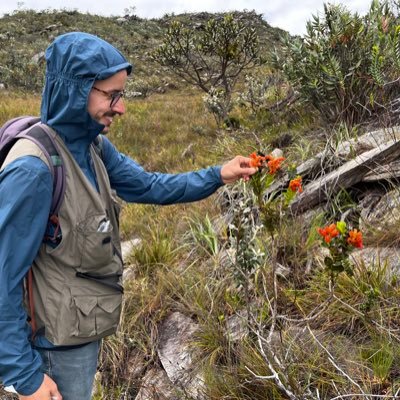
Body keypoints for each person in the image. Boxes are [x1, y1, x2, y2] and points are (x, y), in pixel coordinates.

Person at [0, 32, 256, 400]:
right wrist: (26, 378)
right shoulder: (34, 170)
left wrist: (218, 174)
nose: (120, 108)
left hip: (80, 333)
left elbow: (151, 186)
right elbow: (2, 276)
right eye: (111, 95)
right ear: (75, 90)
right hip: (53, 352)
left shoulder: (92, 146)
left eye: (122, 95)